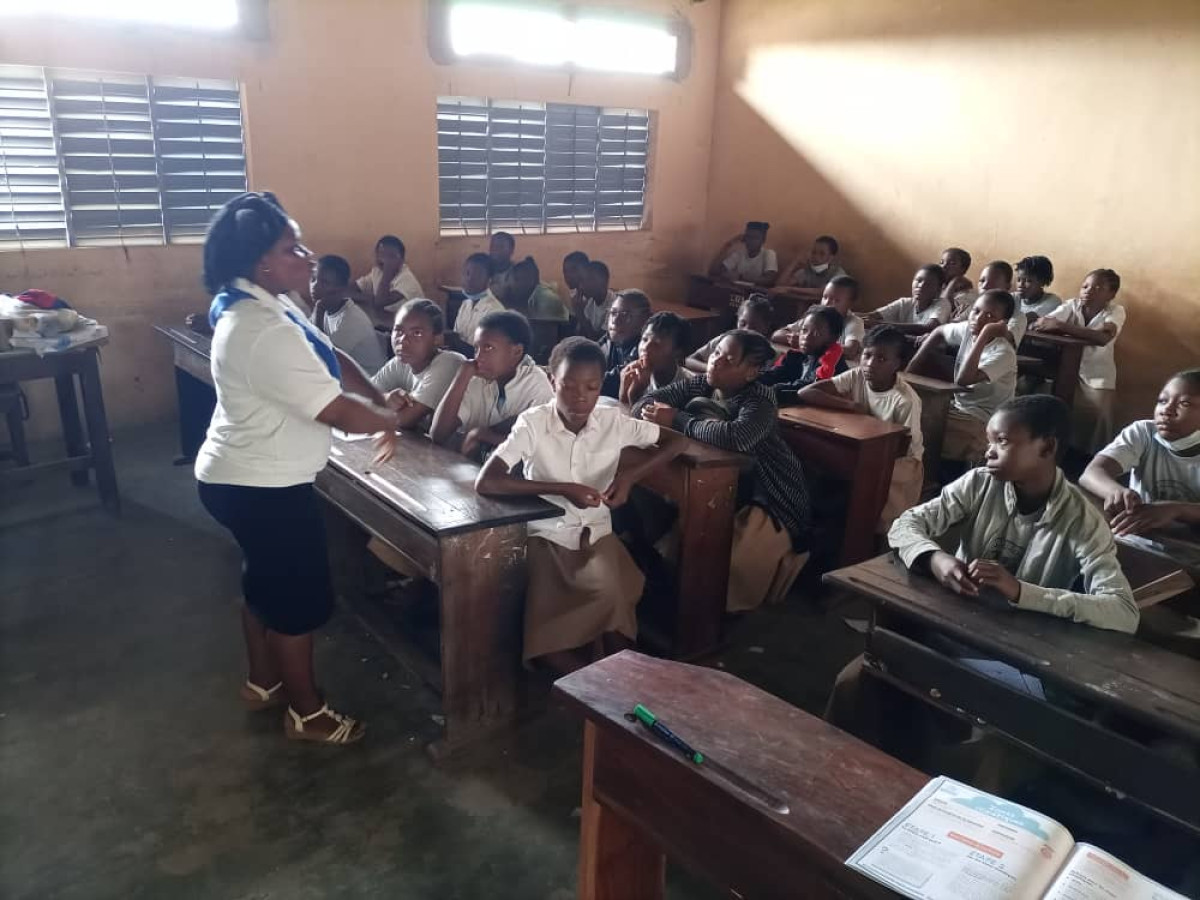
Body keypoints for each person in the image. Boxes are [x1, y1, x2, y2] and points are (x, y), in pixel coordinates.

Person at [196, 192, 401, 746]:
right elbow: (335, 409)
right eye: (293, 248)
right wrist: (389, 418)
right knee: (297, 603)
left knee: (263, 582)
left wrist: (381, 398)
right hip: (261, 486)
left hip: (243, 475)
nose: (309, 257)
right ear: (263, 261)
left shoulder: (267, 301)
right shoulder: (259, 328)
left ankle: (263, 682)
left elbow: (332, 359)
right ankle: (308, 714)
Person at [828, 396, 1139, 734]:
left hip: (1013, 654)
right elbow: (906, 524)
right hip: (952, 628)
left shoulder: (1083, 521)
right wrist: (935, 559)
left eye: (1002, 442)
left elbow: (1122, 611)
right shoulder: (980, 482)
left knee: (939, 720)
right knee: (856, 683)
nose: (988, 451)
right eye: (989, 440)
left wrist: (1021, 591)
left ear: (1047, 448)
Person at [476, 337, 687, 672]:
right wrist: (563, 489)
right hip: (547, 534)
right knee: (549, 642)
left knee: (611, 594)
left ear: (600, 385)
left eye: (591, 387)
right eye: (567, 386)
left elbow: (676, 442)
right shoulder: (534, 422)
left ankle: (620, 677)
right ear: (551, 381)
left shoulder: (613, 422)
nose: (579, 396)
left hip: (596, 531)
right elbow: (488, 481)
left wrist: (631, 477)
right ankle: (596, 683)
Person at [634, 330, 811, 612]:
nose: (716, 362)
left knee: (726, 563)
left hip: (769, 493)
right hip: (716, 480)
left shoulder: (760, 400)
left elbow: (736, 437)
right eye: (716, 353)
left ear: (751, 372)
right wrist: (653, 411)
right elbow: (645, 404)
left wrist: (678, 419)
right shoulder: (700, 385)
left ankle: (704, 614)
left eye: (729, 360)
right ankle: (668, 597)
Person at [796, 326, 924, 531]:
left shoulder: (905, 400)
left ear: (898, 364)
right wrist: (851, 406)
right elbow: (806, 392)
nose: (870, 364)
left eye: (881, 359)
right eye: (867, 355)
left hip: (900, 462)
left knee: (865, 507)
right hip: (864, 447)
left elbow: (902, 447)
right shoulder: (857, 376)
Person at [1080, 369, 1200, 540]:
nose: (1167, 410)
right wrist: (1115, 491)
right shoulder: (1143, 432)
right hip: (1140, 537)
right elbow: (1092, 473)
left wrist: (1177, 509)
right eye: (1162, 400)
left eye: (1184, 404)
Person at [907, 290, 1017, 466]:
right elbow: (939, 332)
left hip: (984, 420)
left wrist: (985, 334)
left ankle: (926, 478)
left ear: (1002, 323)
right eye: (976, 311)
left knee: (924, 428)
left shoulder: (1003, 353)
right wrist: (909, 371)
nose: (978, 319)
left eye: (989, 316)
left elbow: (963, 380)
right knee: (910, 412)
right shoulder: (968, 329)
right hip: (957, 408)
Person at [431, 310, 552, 458]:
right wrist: (461, 377)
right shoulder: (476, 377)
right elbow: (439, 434)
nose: (478, 357)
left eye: (488, 348)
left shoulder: (536, 386)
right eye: (476, 348)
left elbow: (535, 451)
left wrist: (482, 435)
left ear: (516, 352)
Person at [1032, 268, 1125, 454]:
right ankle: (1061, 452)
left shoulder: (1115, 311)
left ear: (1111, 294)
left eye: (1097, 288)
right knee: (1058, 409)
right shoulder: (1071, 305)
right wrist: (1054, 324)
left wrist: (1061, 326)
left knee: (1098, 418)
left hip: (1097, 375)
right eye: (1085, 286)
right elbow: (1041, 324)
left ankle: (1092, 459)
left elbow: (1102, 338)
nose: (1088, 291)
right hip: (1066, 370)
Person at [371, 298, 466, 432]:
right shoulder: (400, 362)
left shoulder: (449, 364)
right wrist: (385, 398)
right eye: (398, 331)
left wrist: (378, 405)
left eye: (417, 333)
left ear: (437, 339)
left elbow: (404, 419)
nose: (403, 341)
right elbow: (360, 396)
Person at [310, 254, 387, 375]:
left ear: (341, 289)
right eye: (313, 279)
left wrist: (319, 311)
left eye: (324, 282)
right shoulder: (326, 306)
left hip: (368, 386)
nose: (314, 286)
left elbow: (324, 360)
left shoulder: (352, 322)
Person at [762, 305, 847, 405]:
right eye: (804, 330)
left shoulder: (832, 362)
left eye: (816, 334)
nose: (806, 337)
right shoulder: (798, 355)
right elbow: (777, 373)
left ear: (832, 339)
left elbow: (809, 388)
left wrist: (768, 391)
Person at [685, 294, 775, 373]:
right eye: (742, 323)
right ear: (737, 320)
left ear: (766, 327)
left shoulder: (767, 354)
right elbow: (689, 360)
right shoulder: (724, 340)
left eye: (754, 326)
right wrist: (710, 368)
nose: (746, 330)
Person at [619, 310, 691, 406]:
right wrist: (623, 392)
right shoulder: (633, 374)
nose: (646, 348)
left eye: (657, 344)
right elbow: (621, 416)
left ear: (678, 352)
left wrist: (635, 393)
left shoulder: (688, 388)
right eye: (644, 339)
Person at [865, 264, 952, 335]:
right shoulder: (904, 303)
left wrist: (879, 325)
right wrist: (852, 316)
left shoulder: (942, 304)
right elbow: (871, 316)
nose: (921, 286)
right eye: (918, 280)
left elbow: (928, 328)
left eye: (929, 284)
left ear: (939, 289)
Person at [351, 235, 423, 318]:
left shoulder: (407, 279)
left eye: (391, 256)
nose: (384, 260)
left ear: (402, 260)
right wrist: (370, 299)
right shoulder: (377, 271)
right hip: (390, 322)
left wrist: (387, 273)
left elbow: (380, 302)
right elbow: (348, 290)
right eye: (381, 255)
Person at [599, 289, 652, 399]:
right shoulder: (611, 339)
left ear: (645, 320)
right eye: (613, 313)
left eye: (625, 314)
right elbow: (586, 355)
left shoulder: (645, 349)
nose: (616, 320)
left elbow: (611, 382)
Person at [449, 252, 504, 356]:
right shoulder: (465, 304)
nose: (469, 279)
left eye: (477, 275)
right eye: (467, 273)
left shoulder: (495, 311)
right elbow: (457, 336)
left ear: (489, 280)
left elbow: (485, 354)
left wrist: (453, 341)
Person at [707, 221, 778, 287]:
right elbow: (714, 271)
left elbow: (769, 280)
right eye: (748, 237)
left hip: (756, 294)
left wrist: (740, 277)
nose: (750, 241)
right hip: (737, 290)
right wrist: (728, 245)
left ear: (763, 240)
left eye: (755, 238)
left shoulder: (769, 254)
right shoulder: (739, 253)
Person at [777, 235, 847, 298]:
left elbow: (822, 291)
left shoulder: (837, 273)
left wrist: (790, 289)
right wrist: (794, 263)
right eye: (814, 252)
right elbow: (780, 285)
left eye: (822, 254)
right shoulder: (807, 270)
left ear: (830, 258)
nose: (816, 257)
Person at [820, 275, 865, 363]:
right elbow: (785, 331)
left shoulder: (854, 322)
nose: (826, 303)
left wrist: (815, 343)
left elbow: (850, 350)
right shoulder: (815, 317)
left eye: (836, 300)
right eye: (825, 297)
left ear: (851, 304)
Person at [572, 260, 617, 341]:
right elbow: (580, 336)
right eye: (580, 281)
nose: (581, 286)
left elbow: (600, 342)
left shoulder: (615, 306)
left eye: (587, 280)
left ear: (602, 281)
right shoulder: (589, 302)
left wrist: (580, 314)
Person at [488, 231, 516, 299]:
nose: (495, 249)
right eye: (493, 246)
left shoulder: (517, 274)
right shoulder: (483, 270)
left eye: (501, 246)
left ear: (511, 250)